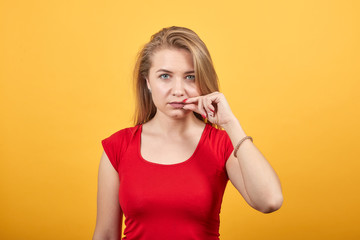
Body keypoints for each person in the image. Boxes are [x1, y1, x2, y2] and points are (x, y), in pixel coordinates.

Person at [92, 26, 283, 240]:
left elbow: (270, 201)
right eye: (165, 76)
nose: (178, 90)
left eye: (190, 77)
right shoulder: (118, 146)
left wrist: (230, 123)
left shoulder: (221, 144)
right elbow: (106, 235)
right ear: (147, 81)